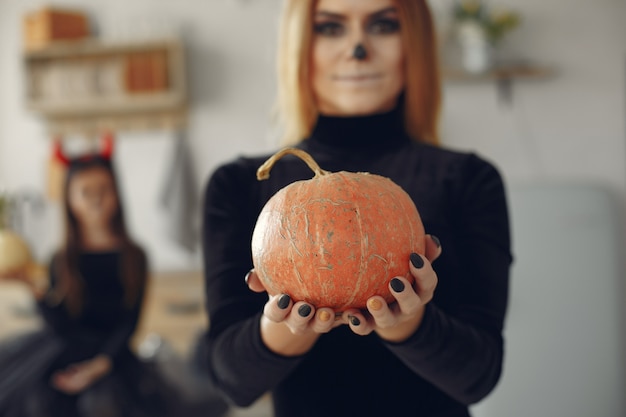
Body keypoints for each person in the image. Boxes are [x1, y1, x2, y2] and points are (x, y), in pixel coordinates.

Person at [200, 0, 512, 416]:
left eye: (383, 25)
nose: (358, 48)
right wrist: (286, 327)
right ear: (300, 46)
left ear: (413, 43)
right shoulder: (240, 185)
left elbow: (480, 375)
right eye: (330, 28)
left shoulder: (470, 179)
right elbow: (230, 379)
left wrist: (408, 323)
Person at [0, 139, 182, 417]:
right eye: (85, 191)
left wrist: (98, 366)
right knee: (38, 401)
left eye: (104, 190)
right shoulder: (60, 260)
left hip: (112, 356)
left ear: (117, 194)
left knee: (103, 406)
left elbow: (129, 324)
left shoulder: (135, 256)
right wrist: (33, 289)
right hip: (63, 351)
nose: (96, 198)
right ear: (69, 200)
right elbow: (61, 325)